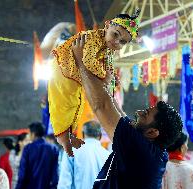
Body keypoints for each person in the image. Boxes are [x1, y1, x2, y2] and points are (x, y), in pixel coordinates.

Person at [71, 34, 183, 189]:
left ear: (152, 132)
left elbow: (101, 106)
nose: (138, 112)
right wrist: (105, 88)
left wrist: (81, 63)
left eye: (144, 115)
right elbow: (120, 115)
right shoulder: (153, 149)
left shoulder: (140, 149)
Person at [48, 8, 140, 157]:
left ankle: (68, 136)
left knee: (76, 104)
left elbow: (108, 69)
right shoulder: (92, 38)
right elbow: (88, 61)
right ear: (107, 25)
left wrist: (111, 79)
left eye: (122, 42)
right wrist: (105, 77)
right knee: (63, 105)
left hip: (74, 74)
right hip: (62, 67)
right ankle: (64, 139)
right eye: (115, 34)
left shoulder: (108, 50)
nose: (116, 42)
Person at [58, 121, 109, 189]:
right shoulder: (108, 155)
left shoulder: (72, 151)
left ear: (83, 134)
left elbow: (64, 182)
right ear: (100, 135)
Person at [16, 122, 59, 189]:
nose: (29, 135)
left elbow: (23, 174)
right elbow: (55, 174)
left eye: (29, 133)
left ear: (33, 134)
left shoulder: (28, 149)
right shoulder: (53, 149)